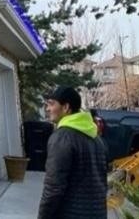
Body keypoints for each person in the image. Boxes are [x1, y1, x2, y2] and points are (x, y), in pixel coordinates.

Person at [38, 86, 108, 219]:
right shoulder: (96, 138)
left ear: (65, 107)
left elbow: (53, 188)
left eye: (51, 104)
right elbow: (102, 182)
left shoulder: (62, 137)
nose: (47, 109)